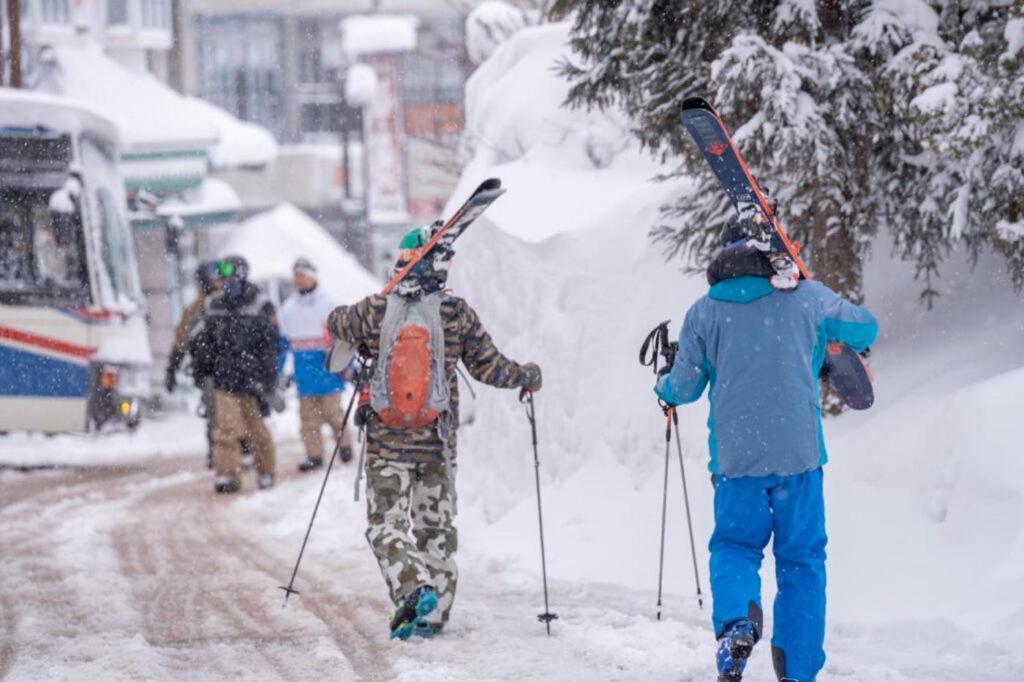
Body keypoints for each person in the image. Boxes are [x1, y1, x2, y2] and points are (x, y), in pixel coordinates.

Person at [654, 217, 878, 682]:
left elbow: (685, 385)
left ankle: (737, 624)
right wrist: (815, 302)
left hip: (738, 462)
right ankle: (797, 671)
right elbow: (865, 329)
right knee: (802, 563)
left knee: (736, 546)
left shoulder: (704, 312)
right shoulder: (807, 298)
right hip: (799, 458)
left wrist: (665, 387)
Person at [327, 226, 542, 640]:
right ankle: (434, 612)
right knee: (435, 530)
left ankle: (412, 586)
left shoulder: (375, 310)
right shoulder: (455, 312)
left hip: (387, 445)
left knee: (385, 525)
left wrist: (365, 313)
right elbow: (490, 367)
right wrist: (526, 375)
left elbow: (335, 322)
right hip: (437, 445)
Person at [189, 256, 281, 494]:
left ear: (241, 275)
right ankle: (227, 475)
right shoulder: (213, 306)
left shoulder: (261, 305)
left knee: (256, 430)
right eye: (222, 277)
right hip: (224, 379)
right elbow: (205, 343)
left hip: (253, 380)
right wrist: (202, 368)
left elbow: (270, 345)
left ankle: (266, 472)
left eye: (230, 276)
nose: (225, 282)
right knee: (225, 431)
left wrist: (267, 377)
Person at [279, 257, 357, 472]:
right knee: (308, 420)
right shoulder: (288, 308)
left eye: (302, 275)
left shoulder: (329, 304)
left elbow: (344, 339)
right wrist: (281, 371)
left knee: (334, 414)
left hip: (328, 370)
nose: (298, 280)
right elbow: (283, 343)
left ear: (312, 276)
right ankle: (314, 456)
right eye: (295, 275)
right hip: (304, 373)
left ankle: (345, 446)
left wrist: (349, 366)